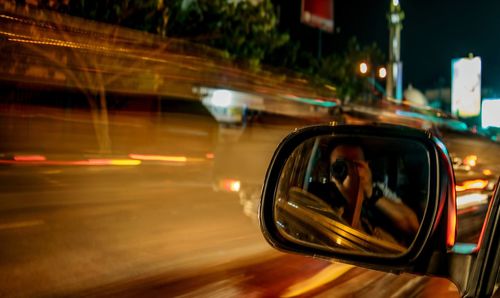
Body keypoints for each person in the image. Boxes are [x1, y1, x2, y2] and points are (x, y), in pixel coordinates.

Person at [329, 144, 420, 244]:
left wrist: (371, 192)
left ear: (367, 165)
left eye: (355, 164)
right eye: (340, 165)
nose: (349, 171)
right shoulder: (325, 194)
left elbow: (413, 227)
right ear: (331, 172)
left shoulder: (377, 188)